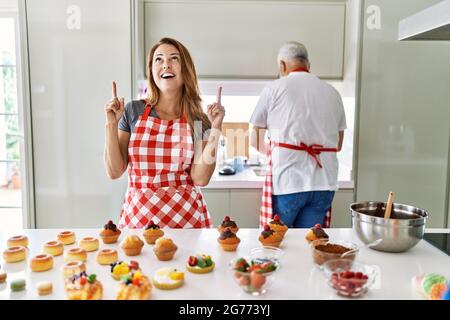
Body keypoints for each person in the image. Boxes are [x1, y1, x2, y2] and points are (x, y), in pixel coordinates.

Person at [104, 37, 225, 228]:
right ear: (152, 71)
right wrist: (111, 124)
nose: (166, 64)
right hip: (139, 221)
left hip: (186, 222)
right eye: (158, 59)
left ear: (186, 69)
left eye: (174, 59)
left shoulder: (198, 119)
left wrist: (216, 128)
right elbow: (114, 171)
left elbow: (200, 178)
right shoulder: (133, 111)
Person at [250, 41, 346, 228]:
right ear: (308, 65)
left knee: (278, 244)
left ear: (282, 65)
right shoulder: (333, 92)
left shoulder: (274, 88)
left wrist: (275, 151)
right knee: (307, 245)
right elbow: (339, 145)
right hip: (324, 183)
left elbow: (255, 138)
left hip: (288, 182)